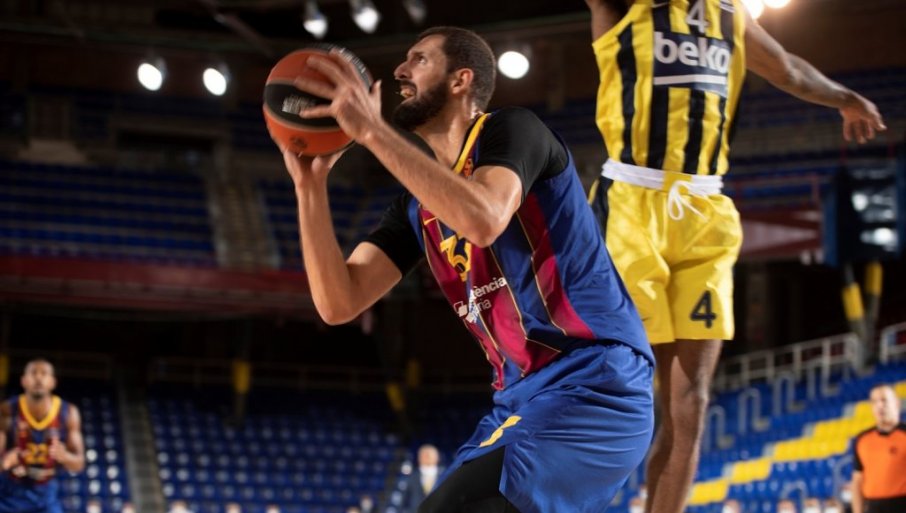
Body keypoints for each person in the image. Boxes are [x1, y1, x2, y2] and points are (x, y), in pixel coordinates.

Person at [283, 25, 654, 513]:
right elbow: (339, 302)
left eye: (419, 59)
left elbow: (483, 219)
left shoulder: (513, 130)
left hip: (595, 383)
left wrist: (371, 131)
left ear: (461, 80)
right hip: (520, 401)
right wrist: (309, 188)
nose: (400, 70)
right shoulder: (417, 207)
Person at [584, 2, 886, 513]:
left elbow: (787, 69)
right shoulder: (627, 7)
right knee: (615, 384)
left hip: (706, 209)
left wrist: (845, 98)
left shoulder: (729, 14)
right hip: (632, 207)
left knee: (691, 401)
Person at [0, 359, 85, 513]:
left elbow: (79, 464)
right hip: (10, 490)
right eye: (33, 373)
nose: (38, 378)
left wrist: (65, 456)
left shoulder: (68, 412)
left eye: (44, 373)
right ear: (23, 381)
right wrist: (5, 462)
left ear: (53, 382)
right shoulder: (7, 411)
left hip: (45, 493)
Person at [851, 384, 906, 513]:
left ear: (897, 403)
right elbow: (857, 481)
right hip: (873, 507)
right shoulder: (862, 440)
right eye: (874, 401)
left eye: (884, 400)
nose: (879, 405)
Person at [401, 445, 444, 513]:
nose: (427, 457)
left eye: (429, 455)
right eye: (424, 455)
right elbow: (403, 501)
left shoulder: (445, 474)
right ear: (419, 458)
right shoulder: (411, 477)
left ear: (437, 457)